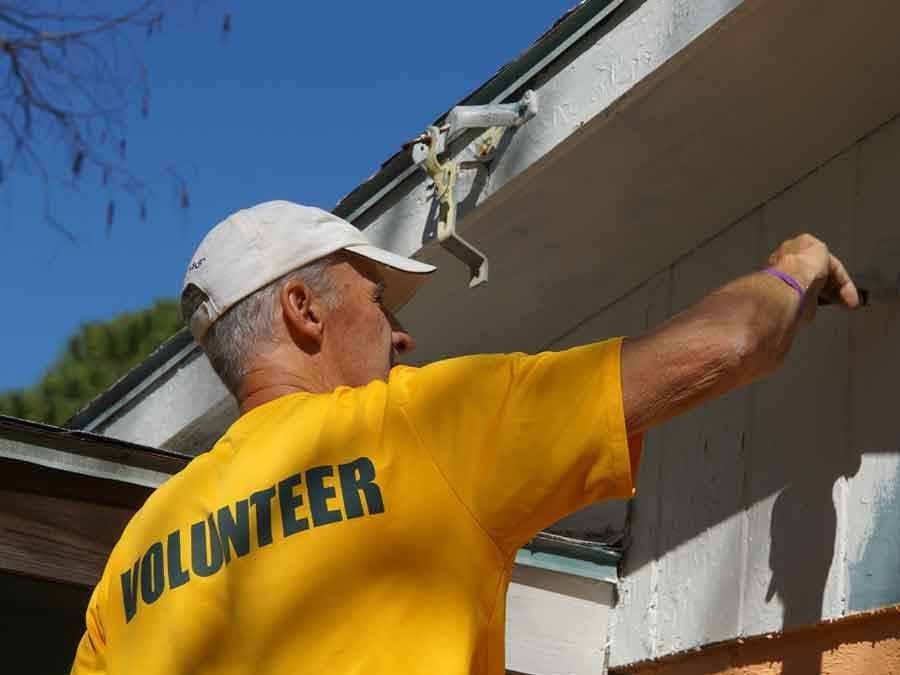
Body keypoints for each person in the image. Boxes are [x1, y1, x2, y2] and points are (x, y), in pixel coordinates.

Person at [70, 200, 860, 675]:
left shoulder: (133, 557)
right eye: (378, 302)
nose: (400, 334)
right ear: (304, 310)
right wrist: (795, 269)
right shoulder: (418, 426)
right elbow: (732, 343)